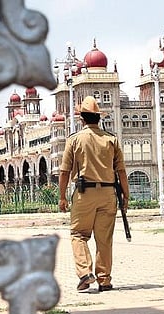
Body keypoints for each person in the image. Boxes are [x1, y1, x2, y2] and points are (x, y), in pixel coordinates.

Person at [59, 95, 130, 292]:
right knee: (104, 239)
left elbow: (64, 171)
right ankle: (104, 280)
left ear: (81, 118)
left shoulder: (74, 140)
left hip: (84, 194)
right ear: (99, 118)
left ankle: (85, 273)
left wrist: (62, 196)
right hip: (109, 194)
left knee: (78, 234)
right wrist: (126, 195)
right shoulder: (111, 140)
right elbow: (121, 171)